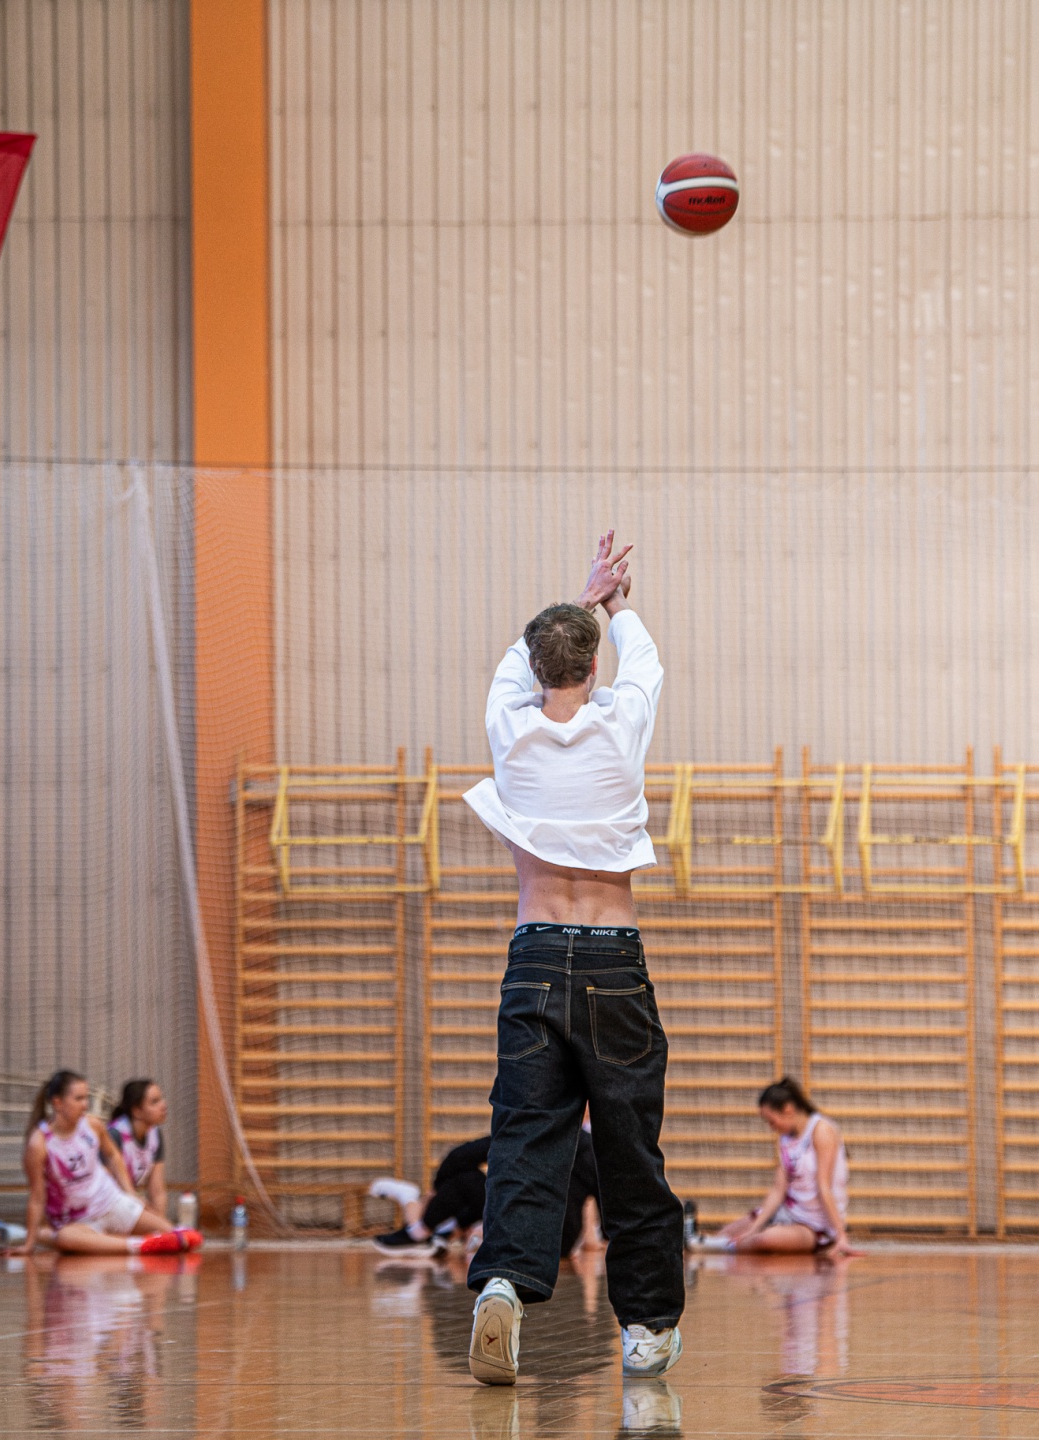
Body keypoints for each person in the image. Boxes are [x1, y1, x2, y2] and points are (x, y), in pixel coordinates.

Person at [460, 530, 685, 1385]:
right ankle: (647, 1327)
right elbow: (646, 659)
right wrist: (612, 603)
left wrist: (578, 601)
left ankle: (504, 1286)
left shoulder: (508, 730)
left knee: (525, 1137)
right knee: (629, 1148)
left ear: (534, 667)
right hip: (613, 963)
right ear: (594, 669)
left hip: (534, 956)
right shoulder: (621, 725)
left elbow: (516, 664)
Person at [9, 1070, 202, 1256]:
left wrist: (130, 1193)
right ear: (58, 1103)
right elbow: (37, 1197)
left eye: (86, 1098)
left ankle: (112, 1241)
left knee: (181, 1237)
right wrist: (28, 1245)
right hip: (77, 1220)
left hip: (111, 1202)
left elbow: (112, 1155)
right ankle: (139, 1245)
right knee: (65, 1238)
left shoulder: (93, 1125)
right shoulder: (39, 1143)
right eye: (79, 1099)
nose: (85, 1105)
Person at [374, 1129, 599, 1259]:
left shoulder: (536, 1130)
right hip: (553, 1239)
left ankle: (415, 1211)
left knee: (466, 1184)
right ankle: (428, 1224)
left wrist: (438, 1190)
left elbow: (460, 1156)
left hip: (532, 1232)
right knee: (470, 1186)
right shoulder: (587, 1146)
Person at [699, 1078, 854, 1255]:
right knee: (726, 1232)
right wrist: (754, 1227)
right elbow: (778, 1189)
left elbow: (824, 1186)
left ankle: (724, 1247)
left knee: (762, 1240)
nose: (771, 1128)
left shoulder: (821, 1130)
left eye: (771, 1121)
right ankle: (711, 1244)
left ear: (788, 1110)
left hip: (814, 1225)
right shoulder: (785, 1138)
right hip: (787, 1212)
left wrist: (841, 1235)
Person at [106, 1078, 169, 1217]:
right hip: (105, 1206)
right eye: (155, 1102)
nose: (163, 1105)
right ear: (136, 1111)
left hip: (127, 1204)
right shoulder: (115, 1135)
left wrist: (160, 1219)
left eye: (161, 1099)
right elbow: (106, 1188)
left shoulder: (155, 1135)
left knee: (164, 1226)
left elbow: (157, 1192)